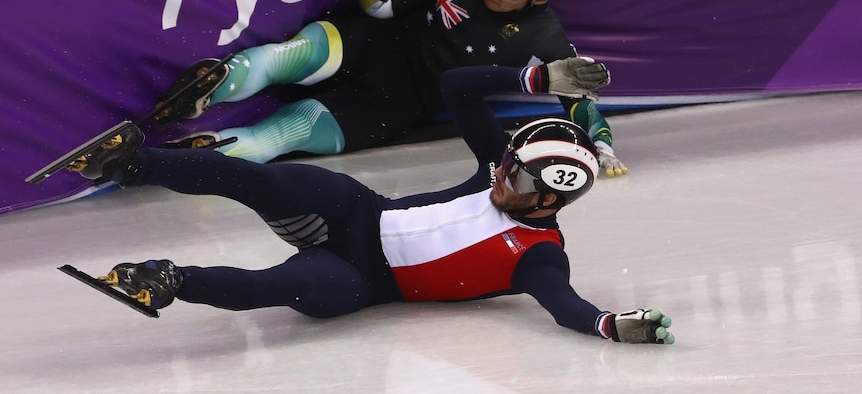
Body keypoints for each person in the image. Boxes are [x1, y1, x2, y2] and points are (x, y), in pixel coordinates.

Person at [74, 59, 673, 345]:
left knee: (282, 288)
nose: (500, 181)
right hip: (359, 212)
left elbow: (567, 307)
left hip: (361, 277)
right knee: (267, 181)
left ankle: (167, 280)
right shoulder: (499, 167)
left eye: (516, 183)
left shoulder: (541, 255)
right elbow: (453, 87)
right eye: (507, 166)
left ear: (549, 202)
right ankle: (131, 164)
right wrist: (533, 82)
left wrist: (610, 325)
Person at [155, 0, 628, 179]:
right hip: (377, 44)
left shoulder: (543, 37)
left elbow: (577, 98)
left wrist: (601, 144)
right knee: (294, 54)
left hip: (399, 104)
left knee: (286, 135)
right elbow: (383, 4)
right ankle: (213, 85)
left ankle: (203, 153)